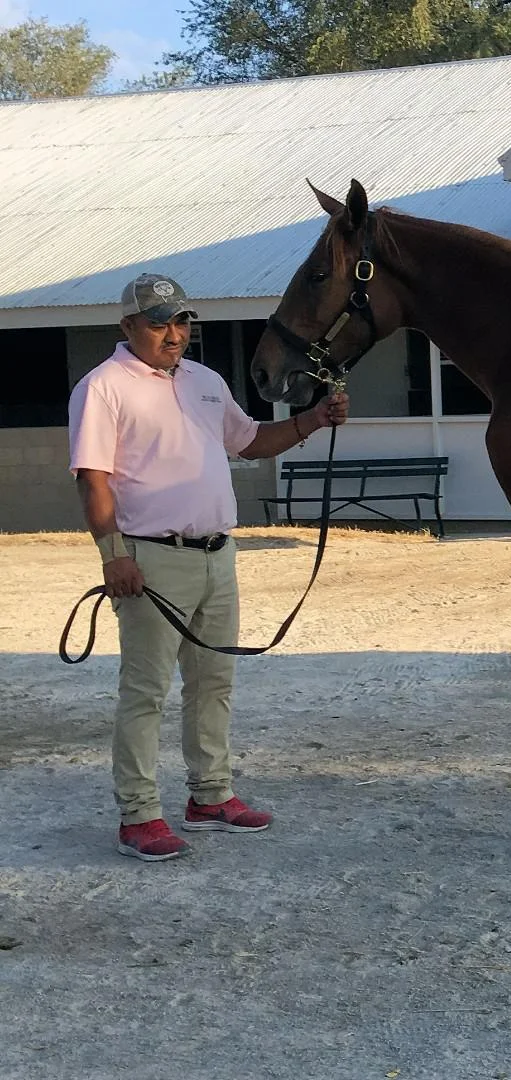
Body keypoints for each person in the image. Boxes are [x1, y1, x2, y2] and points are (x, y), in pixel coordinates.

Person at [67, 273, 349, 861]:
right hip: (150, 561)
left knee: (214, 683)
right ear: (128, 326)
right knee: (145, 691)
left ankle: (211, 796)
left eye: (181, 321)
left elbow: (249, 442)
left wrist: (314, 419)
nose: (173, 334)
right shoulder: (102, 388)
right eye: (158, 323)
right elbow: (93, 478)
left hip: (218, 556)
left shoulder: (205, 382)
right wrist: (113, 556)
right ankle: (139, 815)